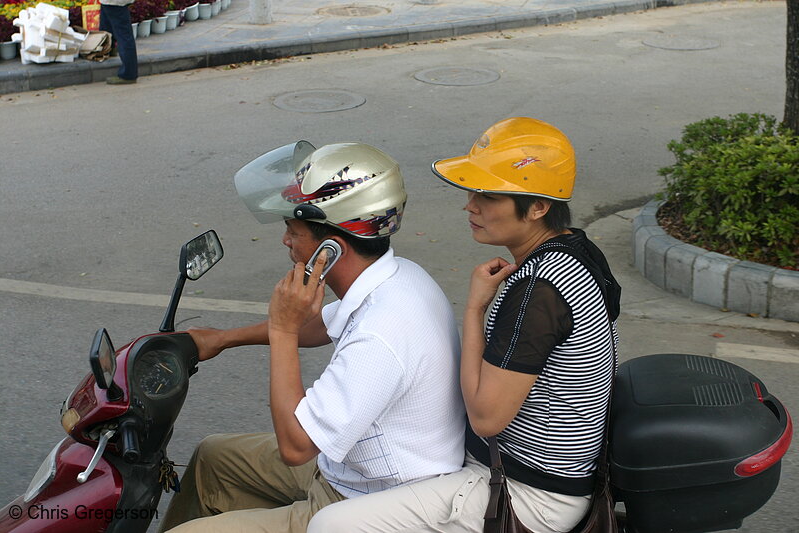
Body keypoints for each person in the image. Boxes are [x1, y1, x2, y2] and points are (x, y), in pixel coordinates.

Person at [307, 117, 621, 533]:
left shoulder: (538, 291)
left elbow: (486, 419)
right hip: (535, 469)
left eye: (488, 195)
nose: (470, 205)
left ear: (539, 206)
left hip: (528, 491)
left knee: (331, 526)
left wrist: (474, 309)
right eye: (473, 191)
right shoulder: (576, 250)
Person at [158, 141, 466, 533]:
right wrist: (222, 338)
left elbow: (295, 446)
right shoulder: (399, 277)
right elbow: (322, 324)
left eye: (292, 230)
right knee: (211, 459)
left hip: (371, 503)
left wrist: (283, 328)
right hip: (347, 469)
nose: (286, 241)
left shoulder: (380, 335)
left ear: (329, 250)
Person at [99, 0, 137, 84]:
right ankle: (109, 49)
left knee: (123, 35)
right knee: (106, 26)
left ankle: (128, 74)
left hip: (115, 3)